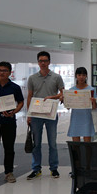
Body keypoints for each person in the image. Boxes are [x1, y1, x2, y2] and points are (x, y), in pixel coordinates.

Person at [26, 51, 64, 180]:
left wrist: (52, 97)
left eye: (45, 61)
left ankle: (54, 168)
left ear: (49, 62)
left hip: (51, 114)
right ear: (38, 62)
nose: (43, 63)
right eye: (41, 61)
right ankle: (36, 169)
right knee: (36, 143)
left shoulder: (56, 77)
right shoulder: (32, 78)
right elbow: (30, 96)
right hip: (36, 114)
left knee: (52, 143)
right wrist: (29, 114)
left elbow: (62, 93)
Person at [66, 67, 97, 142]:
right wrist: (65, 100)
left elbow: (94, 107)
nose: (81, 77)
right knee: (75, 144)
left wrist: (93, 101)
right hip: (75, 118)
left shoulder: (91, 90)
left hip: (86, 118)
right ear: (76, 76)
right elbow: (68, 107)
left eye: (83, 75)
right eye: (79, 75)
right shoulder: (71, 90)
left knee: (87, 144)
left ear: (86, 76)